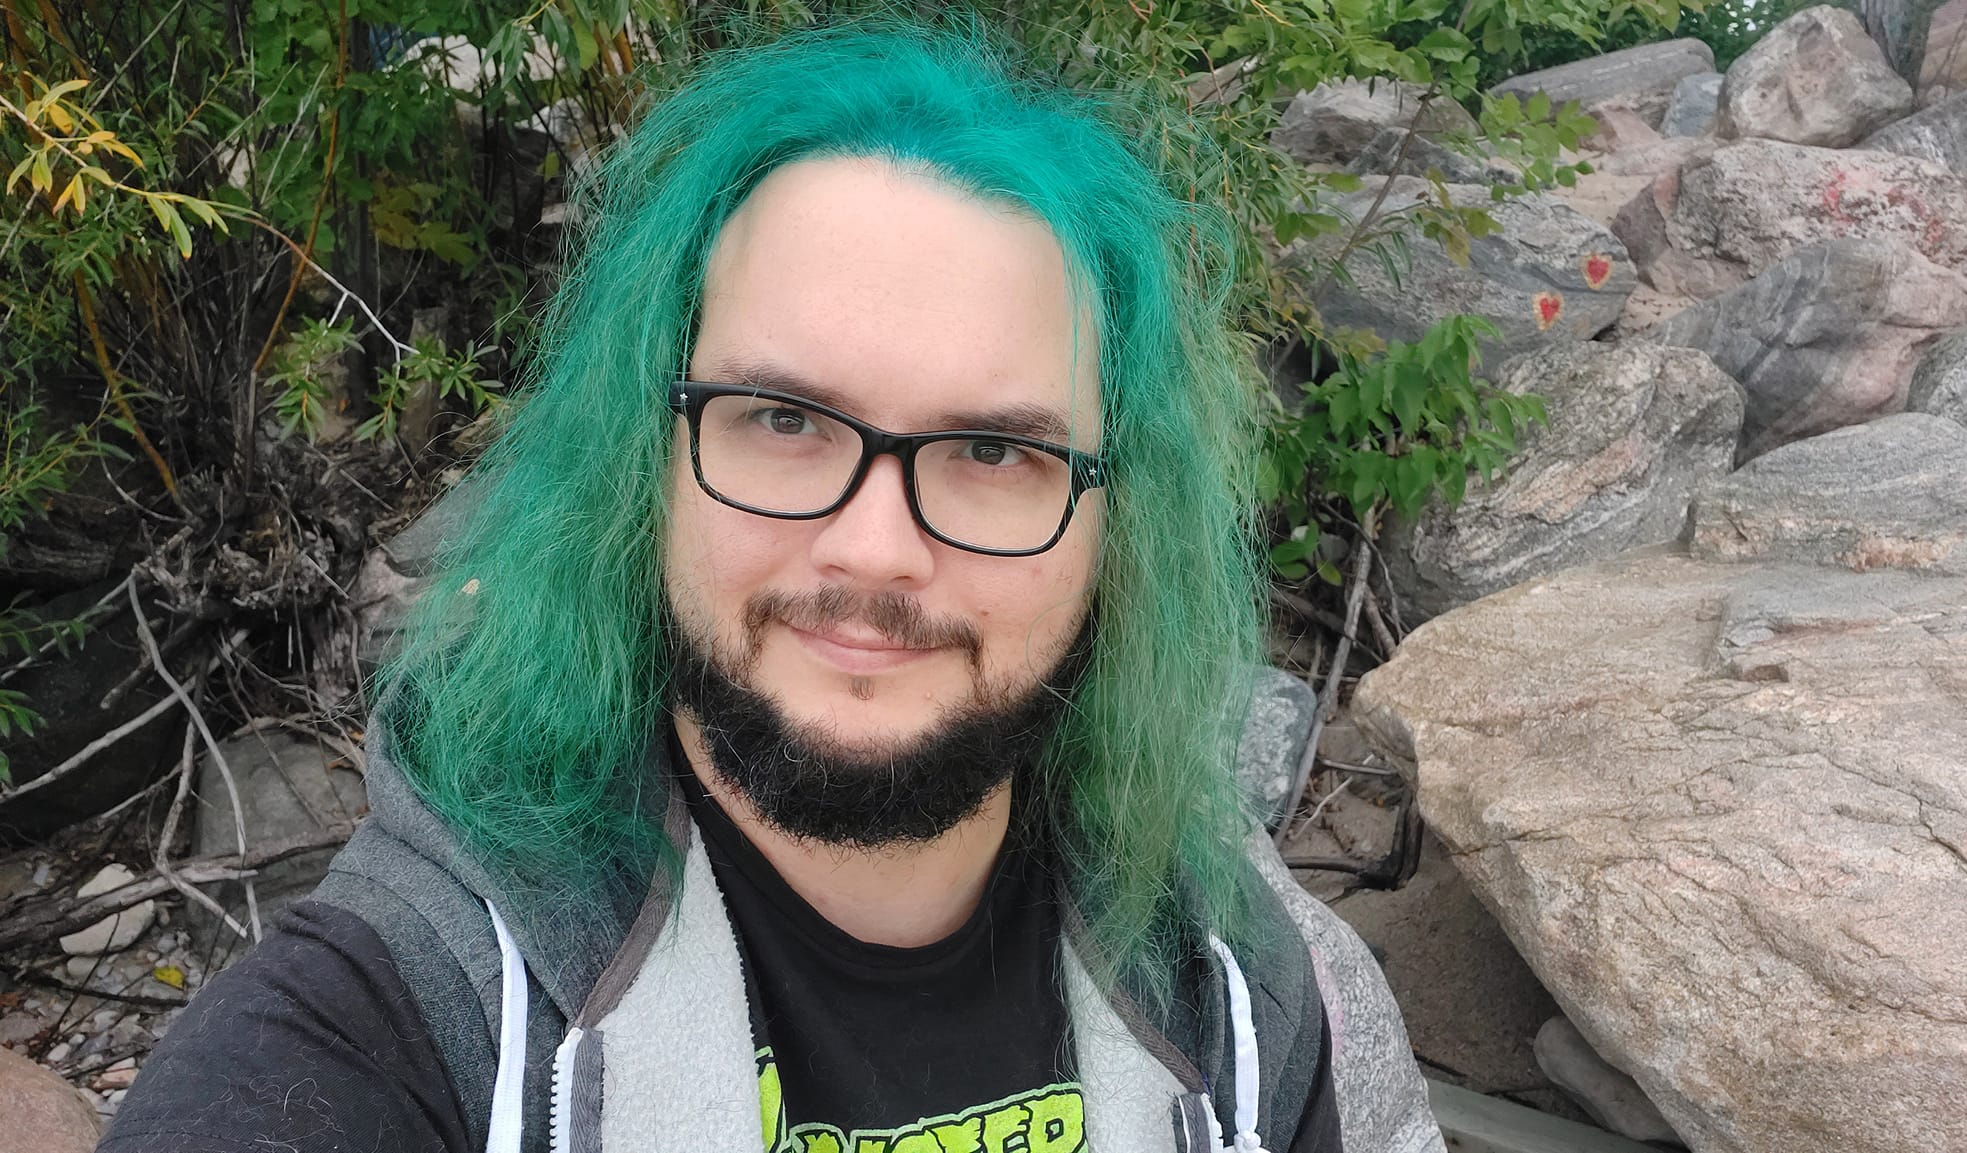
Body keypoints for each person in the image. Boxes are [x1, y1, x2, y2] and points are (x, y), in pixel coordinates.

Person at [99, 19, 1439, 1153]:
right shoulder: (404, 1020)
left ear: (1112, 524)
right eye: (784, 420)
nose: (872, 550)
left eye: (992, 450)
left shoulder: (1252, 1000)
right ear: (653, 457)